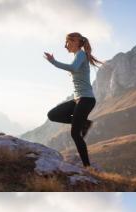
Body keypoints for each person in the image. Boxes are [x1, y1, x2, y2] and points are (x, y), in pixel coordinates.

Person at [44, 32, 102, 167]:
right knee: (52, 115)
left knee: (75, 134)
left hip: (86, 99)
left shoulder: (81, 54)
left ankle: (87, 167)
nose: (65, 46)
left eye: (67, 42)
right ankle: (84, 123)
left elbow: (73, 68)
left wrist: (53, 61)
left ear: (76, 41)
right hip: (78, 99)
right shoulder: (78, 56)